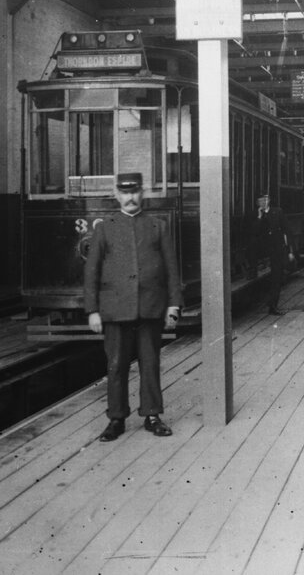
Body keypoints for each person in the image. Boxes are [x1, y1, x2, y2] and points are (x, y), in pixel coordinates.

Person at [84, 172, 181, 441]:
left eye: (135, 192)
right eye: (124, 193)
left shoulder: (157, 226)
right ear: (117, 195)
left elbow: (172, 269)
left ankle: (152, 415)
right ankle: (116, 418)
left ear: (142, 193)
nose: (130, 197)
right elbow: (92, 271)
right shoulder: (105, 228)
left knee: (150, 363)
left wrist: (173, 304)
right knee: (116, 365)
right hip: (115, 310)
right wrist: (92, 310)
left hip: (150, 307)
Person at [251, 191, 290, 315]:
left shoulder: (277, 211)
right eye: (261, 201)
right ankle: (269, 303)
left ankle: (273, 306)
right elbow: (254, 232)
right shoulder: (255, 215)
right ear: (258, 203)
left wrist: (289, 250)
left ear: (269, 200)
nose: (264, 202)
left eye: (266, 200)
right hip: (263, 252)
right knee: (269, 279)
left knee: (277, 277)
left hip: (276, 251)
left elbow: (286, 231)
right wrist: (259, 217)